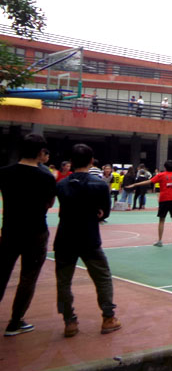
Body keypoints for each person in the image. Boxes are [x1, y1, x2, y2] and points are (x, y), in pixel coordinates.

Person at [53, 143, 121, 337]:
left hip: (65, 237)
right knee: (103, 277)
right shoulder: (99, 185)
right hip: (89, 237)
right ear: (92, 161)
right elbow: (104, 212)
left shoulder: (61, 185)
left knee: (63, 282)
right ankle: (108, 317)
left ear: (71, 162)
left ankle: (69, 321)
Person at [0, 134, 57, 336]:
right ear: (41, 152)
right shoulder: (46, 177)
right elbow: (49, 203)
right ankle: (15, 322)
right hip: (36, 232)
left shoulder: (4, 172)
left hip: (9, 230)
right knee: (28, 278)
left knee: (2, 273)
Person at [129, 160, 172, 246]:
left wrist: (135, 185)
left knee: (161, 220)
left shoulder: (161, 175)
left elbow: (149, 181)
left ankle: (160, 241)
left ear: (165, 167)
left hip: (164, 200)